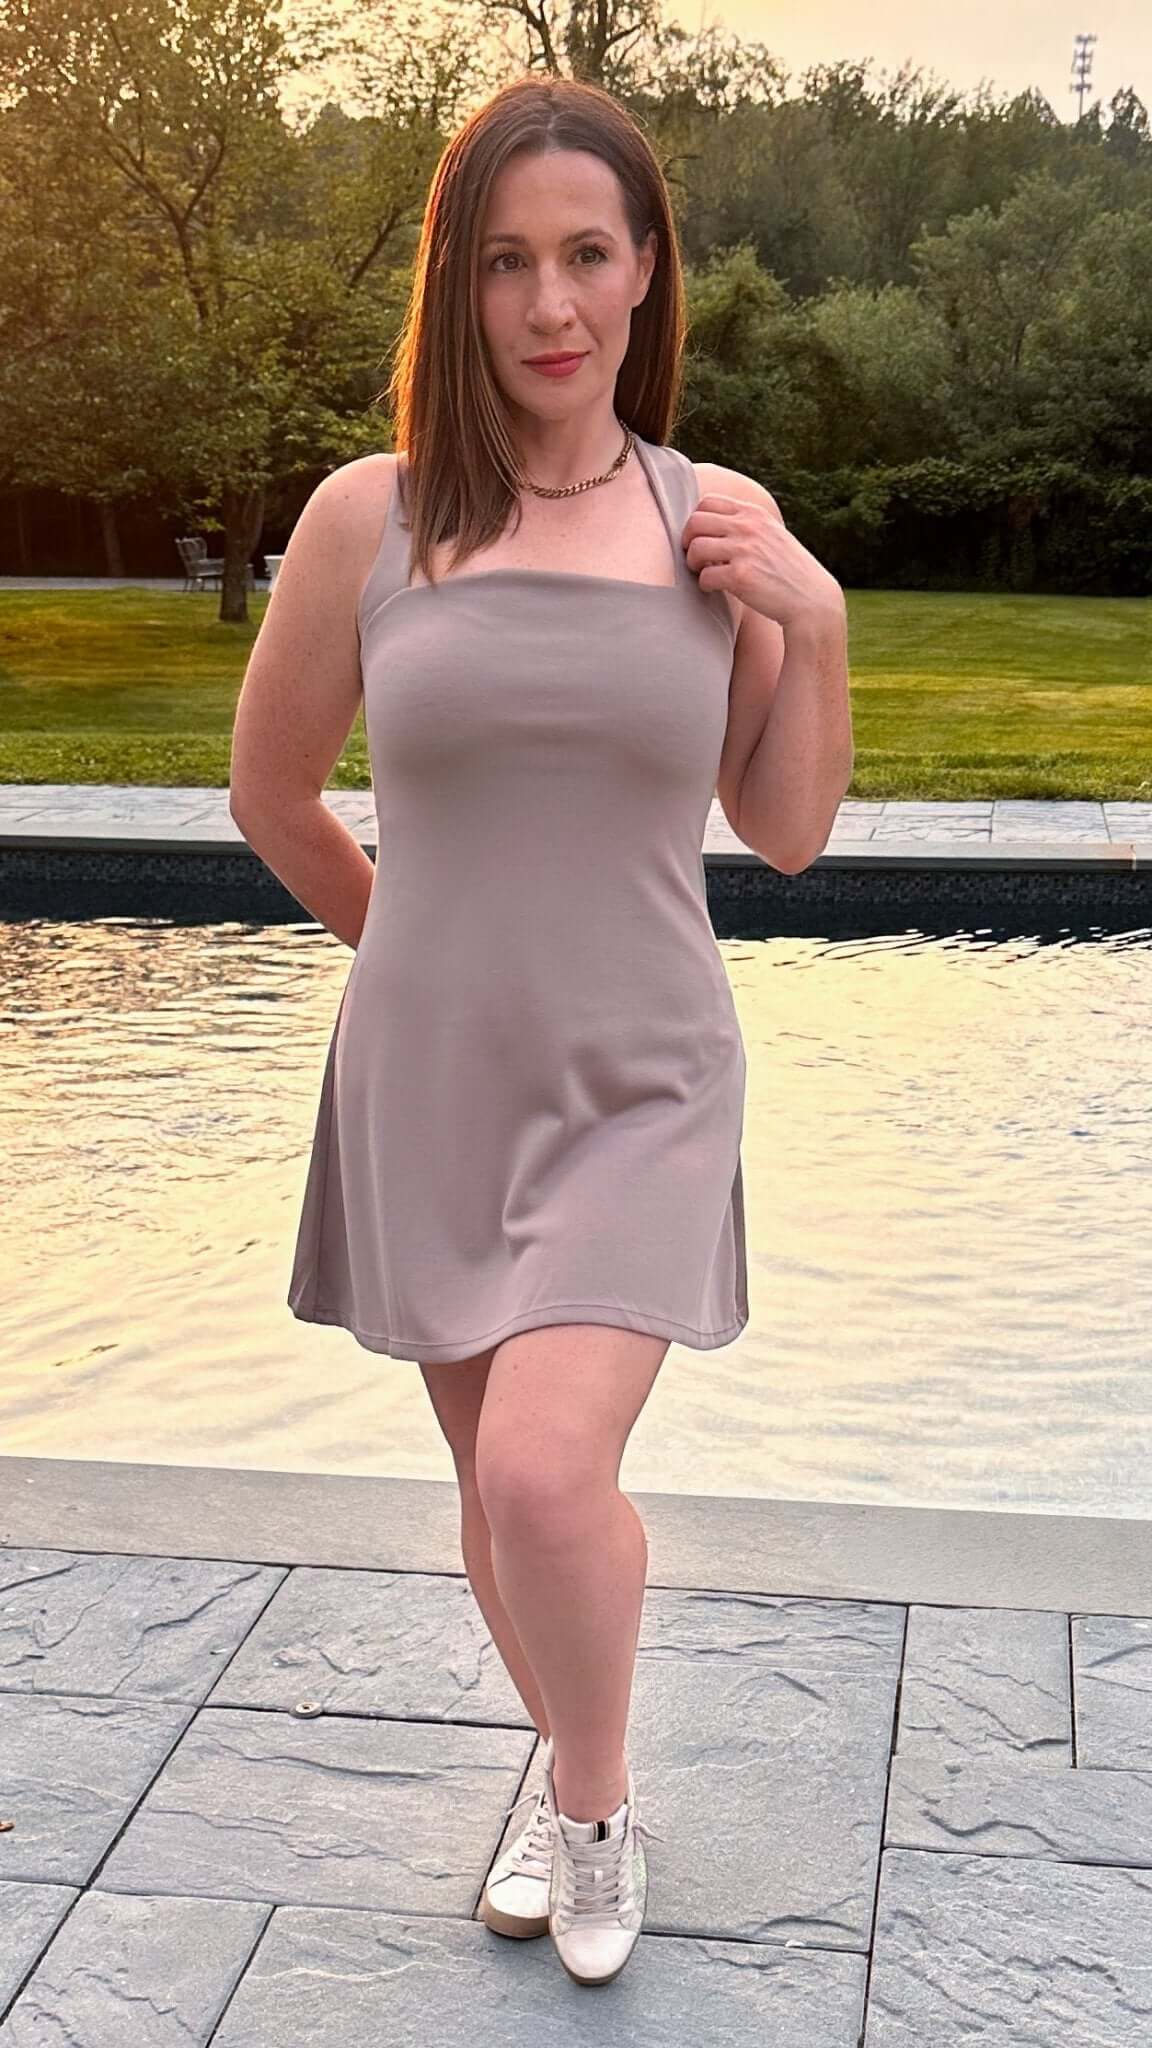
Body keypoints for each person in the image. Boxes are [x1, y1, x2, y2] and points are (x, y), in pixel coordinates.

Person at [230, 73, 850, 1991]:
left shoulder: (713, 530)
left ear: (648, 270)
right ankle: (583, 1780)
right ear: (460, 283)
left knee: (540, 1475)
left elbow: (787, 828)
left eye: (587, 253)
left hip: (645, 1079)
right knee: (490, 1489)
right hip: (433, 1086)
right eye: (507, 261)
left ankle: (588, 1811)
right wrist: (415, 958)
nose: (550, 302)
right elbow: (271, 797)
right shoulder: (370, 517)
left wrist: (817, 623)